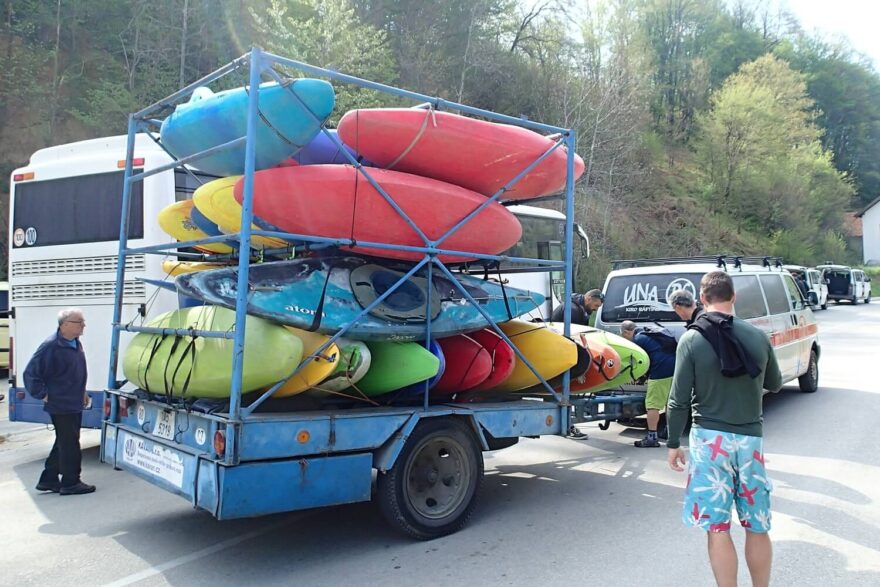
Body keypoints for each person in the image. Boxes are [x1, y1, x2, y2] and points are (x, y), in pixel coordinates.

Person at [666, 271, 782, 587]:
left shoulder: (691, 339)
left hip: (708, 440)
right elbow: (774, 382)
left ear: (702, 300)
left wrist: (673, 442)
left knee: (718, 527)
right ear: (735, 296)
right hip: (750, 441)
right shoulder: (758, 337)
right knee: (757, 525)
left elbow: (677, 400)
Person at [24, 308, 95, 495]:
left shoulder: (74, 343)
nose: (83, 325)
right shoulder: (51, 346)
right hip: (61, 402)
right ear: (65, 325)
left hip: (73, 399)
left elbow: (73, 372)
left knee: (64, 441)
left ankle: (48, 479)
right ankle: (71, 482)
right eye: (79, 322)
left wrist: (82, 391)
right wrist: (42, 394)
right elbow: (30, 374)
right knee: (70, 444)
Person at [619, 320, 676, 448]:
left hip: (660, 371)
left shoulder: (638, 339)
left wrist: (639, 377)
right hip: (675, 369)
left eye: (625, 336)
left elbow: (640, 363)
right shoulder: (650, 332)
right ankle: (669, 432)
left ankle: (652, 438)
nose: (627, 340)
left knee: (652, 405)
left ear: (627, 332)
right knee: (669, 403)